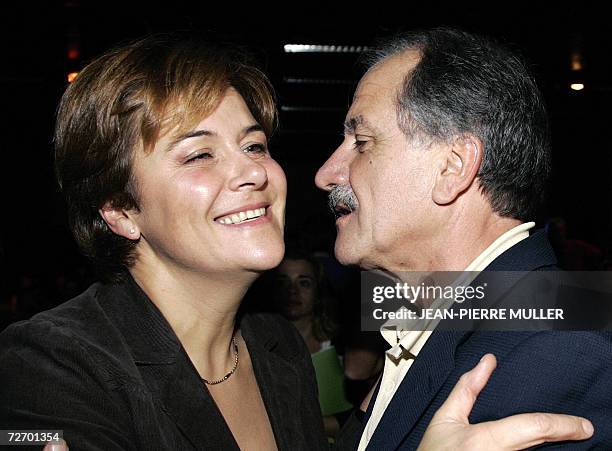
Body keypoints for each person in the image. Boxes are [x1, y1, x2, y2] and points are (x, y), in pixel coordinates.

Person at [0, 33, 594, 451]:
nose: (258, 173)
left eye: (254, 145)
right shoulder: (47, 366)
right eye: (201, 153)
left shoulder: (277, 348)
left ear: (454, 168)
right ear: (120, 210)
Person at [315, 27, 612, 450]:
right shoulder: (446, 319)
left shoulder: (564, 347)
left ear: (453, 167)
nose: (327, 174)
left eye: (361, 142)